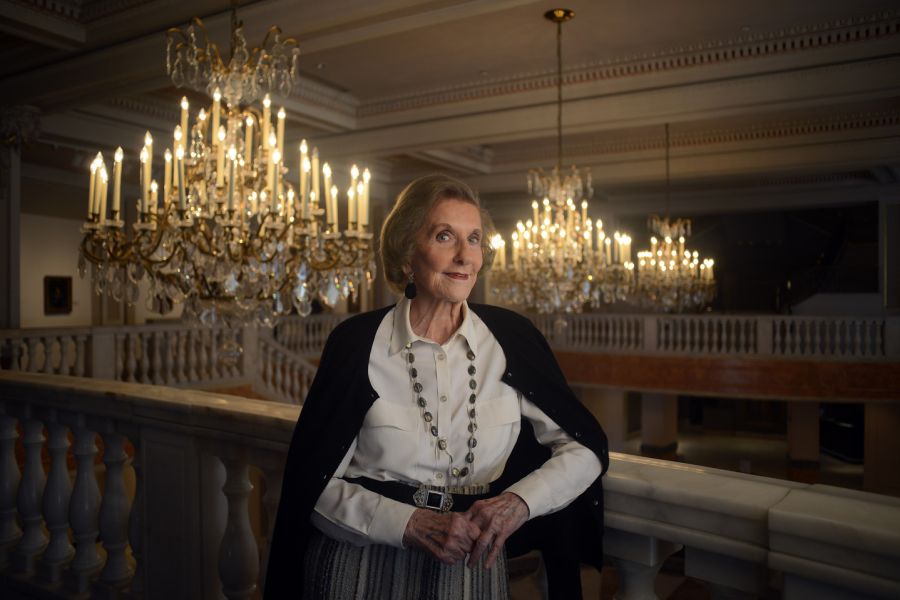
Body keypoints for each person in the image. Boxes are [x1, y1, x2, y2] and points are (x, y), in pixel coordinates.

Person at [265, 174, 609, 599]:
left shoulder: (513, 339)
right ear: (407, 253)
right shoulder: (356, 343)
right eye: (445, 236)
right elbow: (311, 485)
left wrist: (519, 502)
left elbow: (584, 448)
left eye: (474, 239)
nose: (464, 255)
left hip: (471, 564)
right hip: (361, 563)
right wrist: (407, 523)